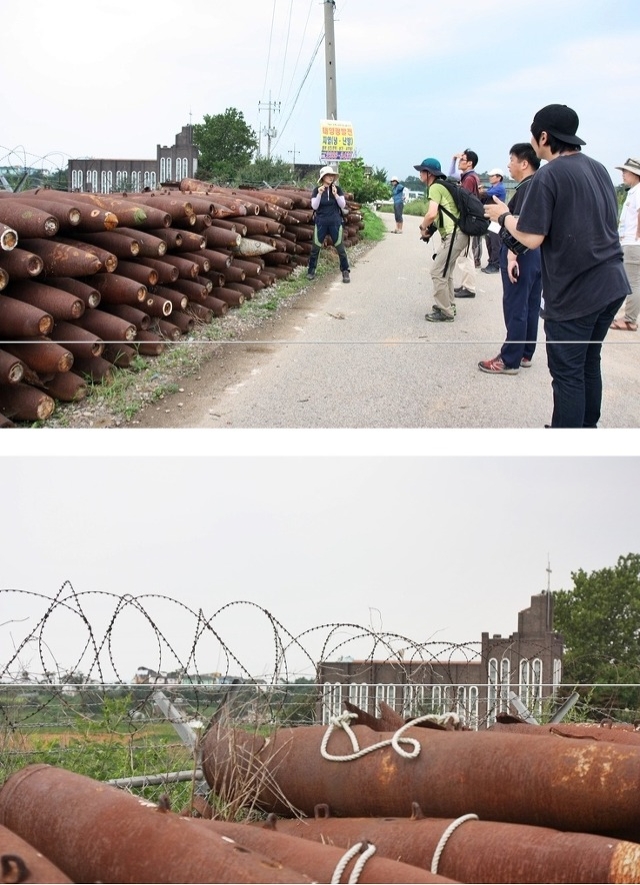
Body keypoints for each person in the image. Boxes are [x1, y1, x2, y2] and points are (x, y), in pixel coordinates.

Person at [485, 104, 631, 427]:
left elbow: (531, 237)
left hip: (577, 293)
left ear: (544, 136)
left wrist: (503, 217)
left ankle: (567, 448)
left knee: (567, 374)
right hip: (612, 284)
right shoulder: (598, 169)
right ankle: (586, 430)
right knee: (588, 363)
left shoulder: (549, 174)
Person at [478, 143, 542, 375]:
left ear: (524, 163)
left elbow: (521, 226)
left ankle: (509, 359)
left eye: (511, 159)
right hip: (538, 254)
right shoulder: (539, 185)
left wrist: (512, 256)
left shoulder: (526, 189)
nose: (509, 165)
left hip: (521, 253)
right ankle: (525, 352)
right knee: (531, 304)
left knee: (515, 304)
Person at [414, 156, 469, 323]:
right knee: (446, 272)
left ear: (429, 173)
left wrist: (423, 228)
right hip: (457, 235)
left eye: (422, 171)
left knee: (437, 272)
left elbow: (431, 214)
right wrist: (430, 229)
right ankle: (448, 304)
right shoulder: (443, 186)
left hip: (455, 236)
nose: (420, 175)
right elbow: (440, 215)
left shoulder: (435, 187)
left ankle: (445, 311)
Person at [610, 157, 640, 332]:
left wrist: (637, 237)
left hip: (634, 243)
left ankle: (629, 320)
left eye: (625, 171)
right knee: (631, 281)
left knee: (633, 282)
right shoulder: (633, 190)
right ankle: (628, 317)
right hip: (630, 242)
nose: (623, 174)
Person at [307, 165, 350, 283]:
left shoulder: (338, 189)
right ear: (323, 177)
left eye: (332, 175)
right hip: (321, 222)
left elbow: (342, 205)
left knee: (340, 248)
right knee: (315, 248)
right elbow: (314, 206)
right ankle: (311, 271)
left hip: (335, 222)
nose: (331, 177)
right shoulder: (317, 190)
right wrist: (320, 194)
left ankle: (345, 271)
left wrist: (336, 194)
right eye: (328, 175)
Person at [448, 149, 481, 297]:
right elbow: (451, 174)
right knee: (466, 254)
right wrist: (454, 159)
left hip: (468, 220)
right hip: (471, 219)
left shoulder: (468, 179)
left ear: (469, 163)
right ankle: (466, 285)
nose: (460, 161)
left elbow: (464, 200)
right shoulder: (469, 176)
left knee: (466, 255)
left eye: (463, 159)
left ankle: (469, 288)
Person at [479, 169, 507, 273]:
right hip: (491, 218)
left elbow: (486, 194)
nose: (490, 177)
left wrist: (479, 190)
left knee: (495, 242)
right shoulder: (493, 187)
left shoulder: (499, 188)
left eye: (492, 176)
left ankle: (495, 264)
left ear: (499, 177)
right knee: (489, 241)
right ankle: (491, 262)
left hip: (497, 219)